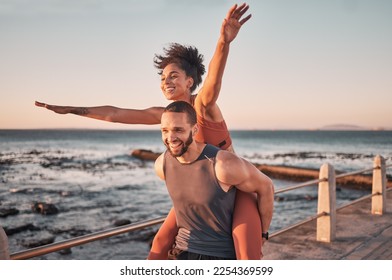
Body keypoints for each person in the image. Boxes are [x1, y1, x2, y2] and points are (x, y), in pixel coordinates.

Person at [35, 4, 264, 259]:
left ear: (189, 81)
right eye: (163, 77)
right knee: (161, 241)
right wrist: (72, 110)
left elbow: (214, 79)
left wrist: (224, 41)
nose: (166, 81)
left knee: (247, 254)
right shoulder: (164, 114)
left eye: (173, 76)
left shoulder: (204, 105)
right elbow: (115, 114)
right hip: (199, 192)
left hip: (233, 188)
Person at [156, 101, 274, 260]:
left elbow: (266, 186)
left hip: (219, 256)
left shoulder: (223, 164)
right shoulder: (162, 164)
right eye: (165, 130)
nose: (170, 137)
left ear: (195, 129)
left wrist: (263, 233)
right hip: (180, 251)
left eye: (178, 130)